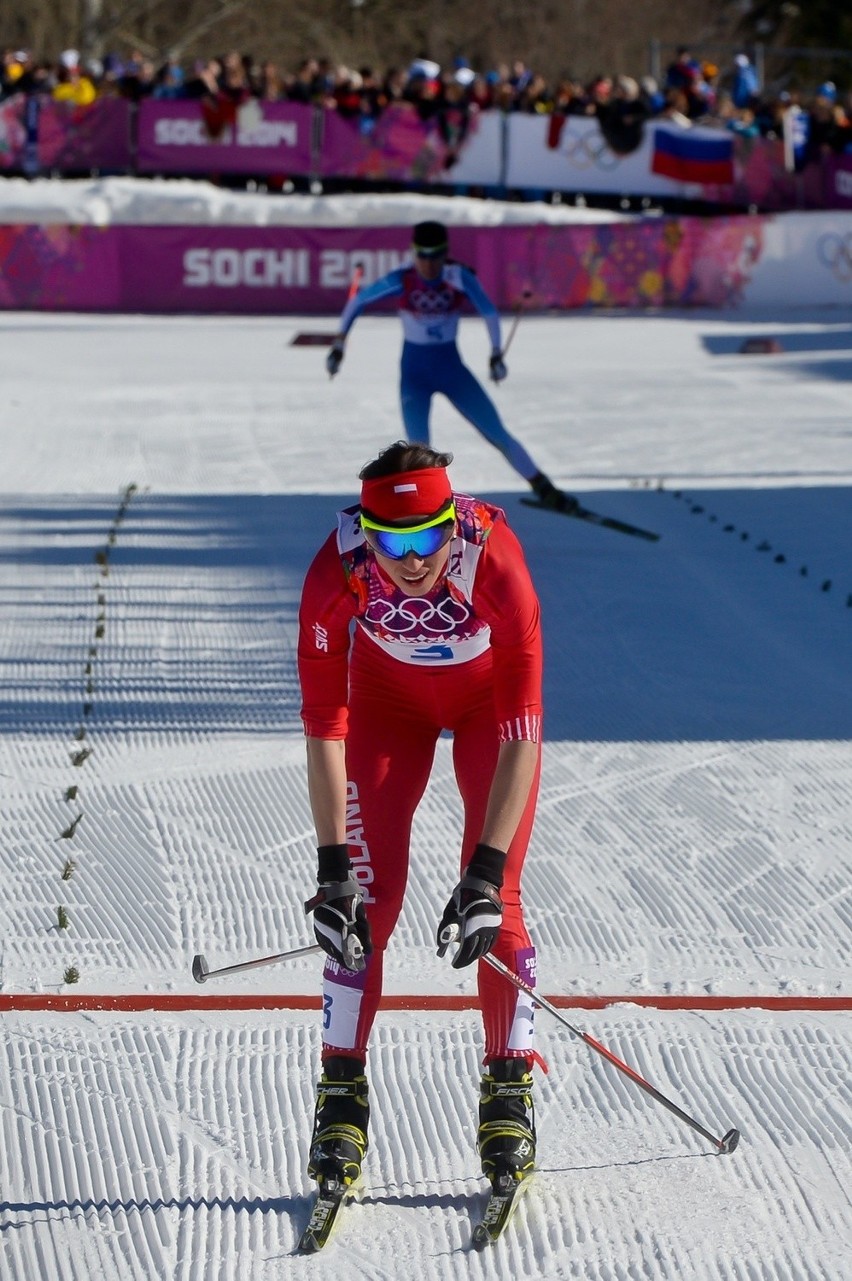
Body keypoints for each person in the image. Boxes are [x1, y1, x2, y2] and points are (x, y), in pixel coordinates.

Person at [298, 439, 544, 1199]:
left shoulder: (494, 561)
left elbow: (521, 730)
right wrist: (331, 865)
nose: (413, 558)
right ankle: (342, 1090)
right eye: (395, 541)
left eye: (430, 535)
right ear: (364, 531)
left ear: (453, 523)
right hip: (386, 704)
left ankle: (509, 1091)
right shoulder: (334, 573)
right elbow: (325, 726)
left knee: (494, 903)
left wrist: (485, 867)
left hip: (485, 707)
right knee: (363, 906)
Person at [326, 220, 576, 512]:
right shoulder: (403, 279)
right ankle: (424, 510)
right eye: (423, 256)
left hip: (452, 372)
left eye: (436, 257)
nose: (429, 265)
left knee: (496, 433)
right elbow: (357, 302)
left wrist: (496, 353)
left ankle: (544, 488)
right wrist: (339, 344)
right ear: (413, 253)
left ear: (445, 254)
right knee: (419, 453)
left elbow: (489, 312)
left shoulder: (458, 277)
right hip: (415, 379)